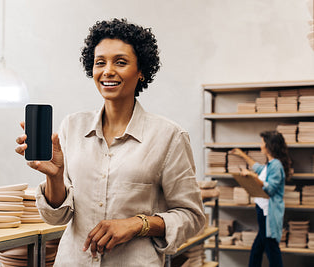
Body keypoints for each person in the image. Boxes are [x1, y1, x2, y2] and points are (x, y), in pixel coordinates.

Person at [15, 18, 205, 266]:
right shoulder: (71, 127)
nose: (107, 71)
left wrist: (137, 224)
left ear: (141, 72)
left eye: (121, 62)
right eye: (100, 62)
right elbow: (57, 218)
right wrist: (54, 176)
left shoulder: (169, 136)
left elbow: (192, 218)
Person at [230, 131, 291, 267]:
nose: (260, 145)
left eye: (262, 142)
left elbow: (270, 188)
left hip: (269, 214)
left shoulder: (276, 166)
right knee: (258, 249)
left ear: (269, 145)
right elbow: (258, 168)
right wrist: (242, 155)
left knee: (270, 250)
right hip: (263, 211)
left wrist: (251, 176)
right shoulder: (270, 165)